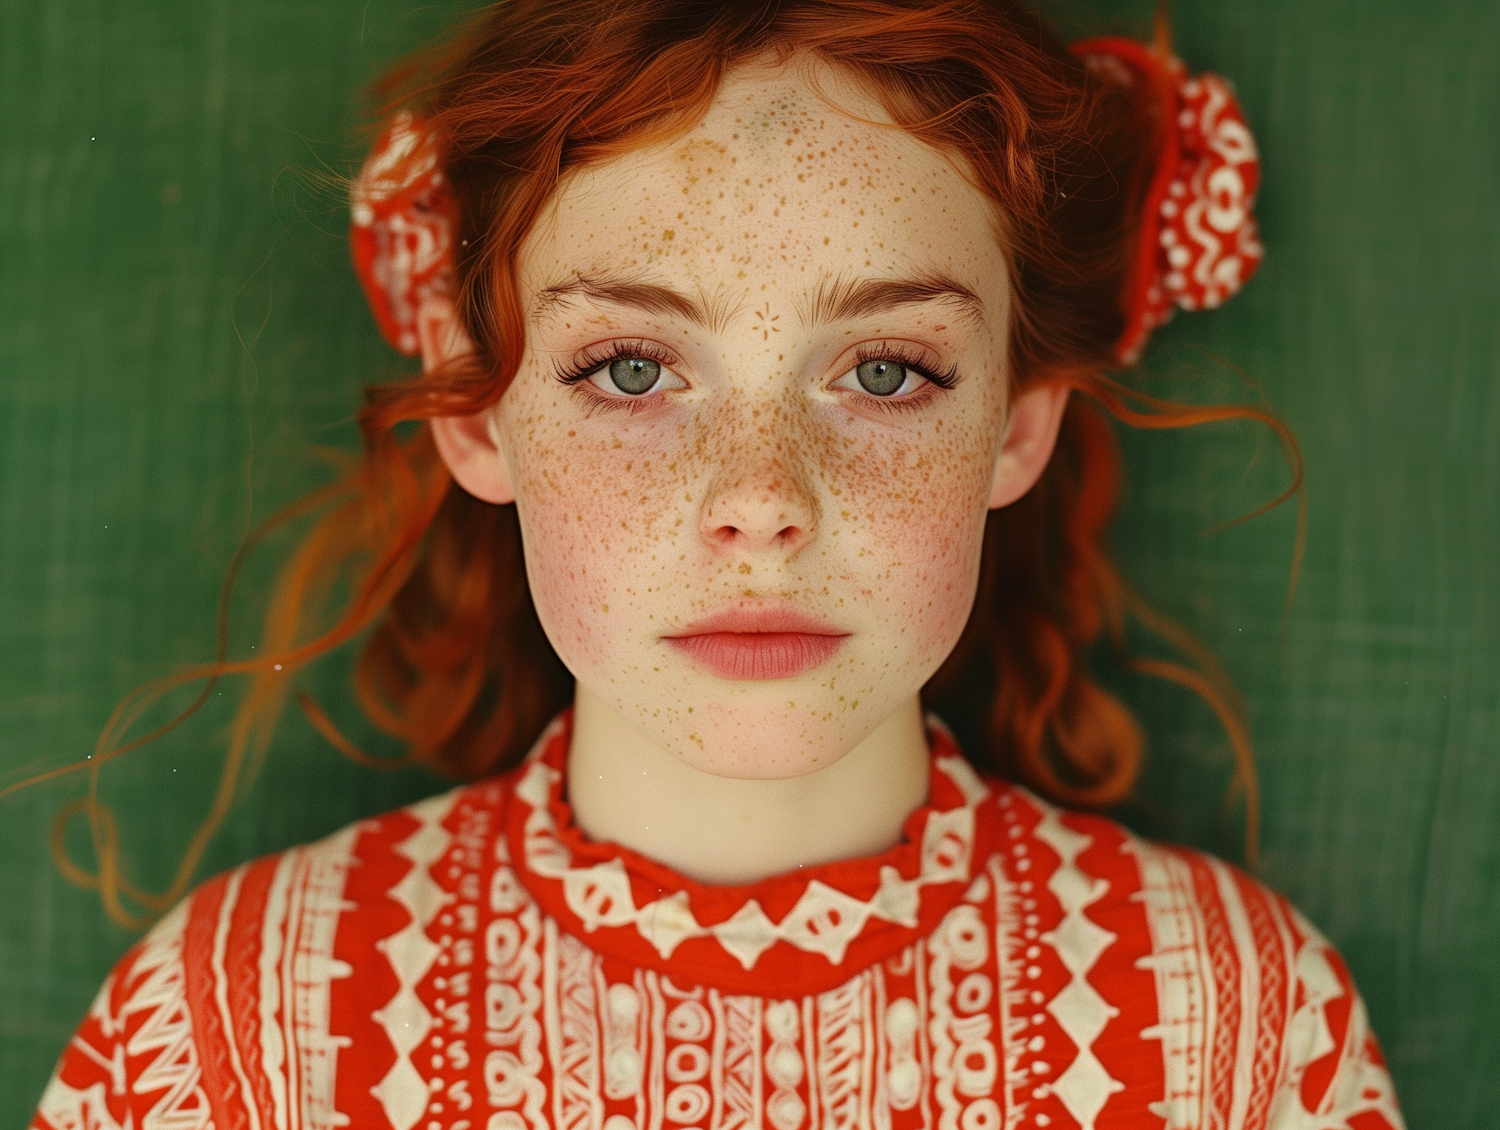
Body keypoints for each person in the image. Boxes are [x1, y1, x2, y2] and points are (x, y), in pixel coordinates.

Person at [29, 1, 1406, 1127]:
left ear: (1016, 421)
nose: (761, 502)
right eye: (632, 368)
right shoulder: (231, 1039)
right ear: (474, 405)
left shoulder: (1240, 1033)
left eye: (884, 370)